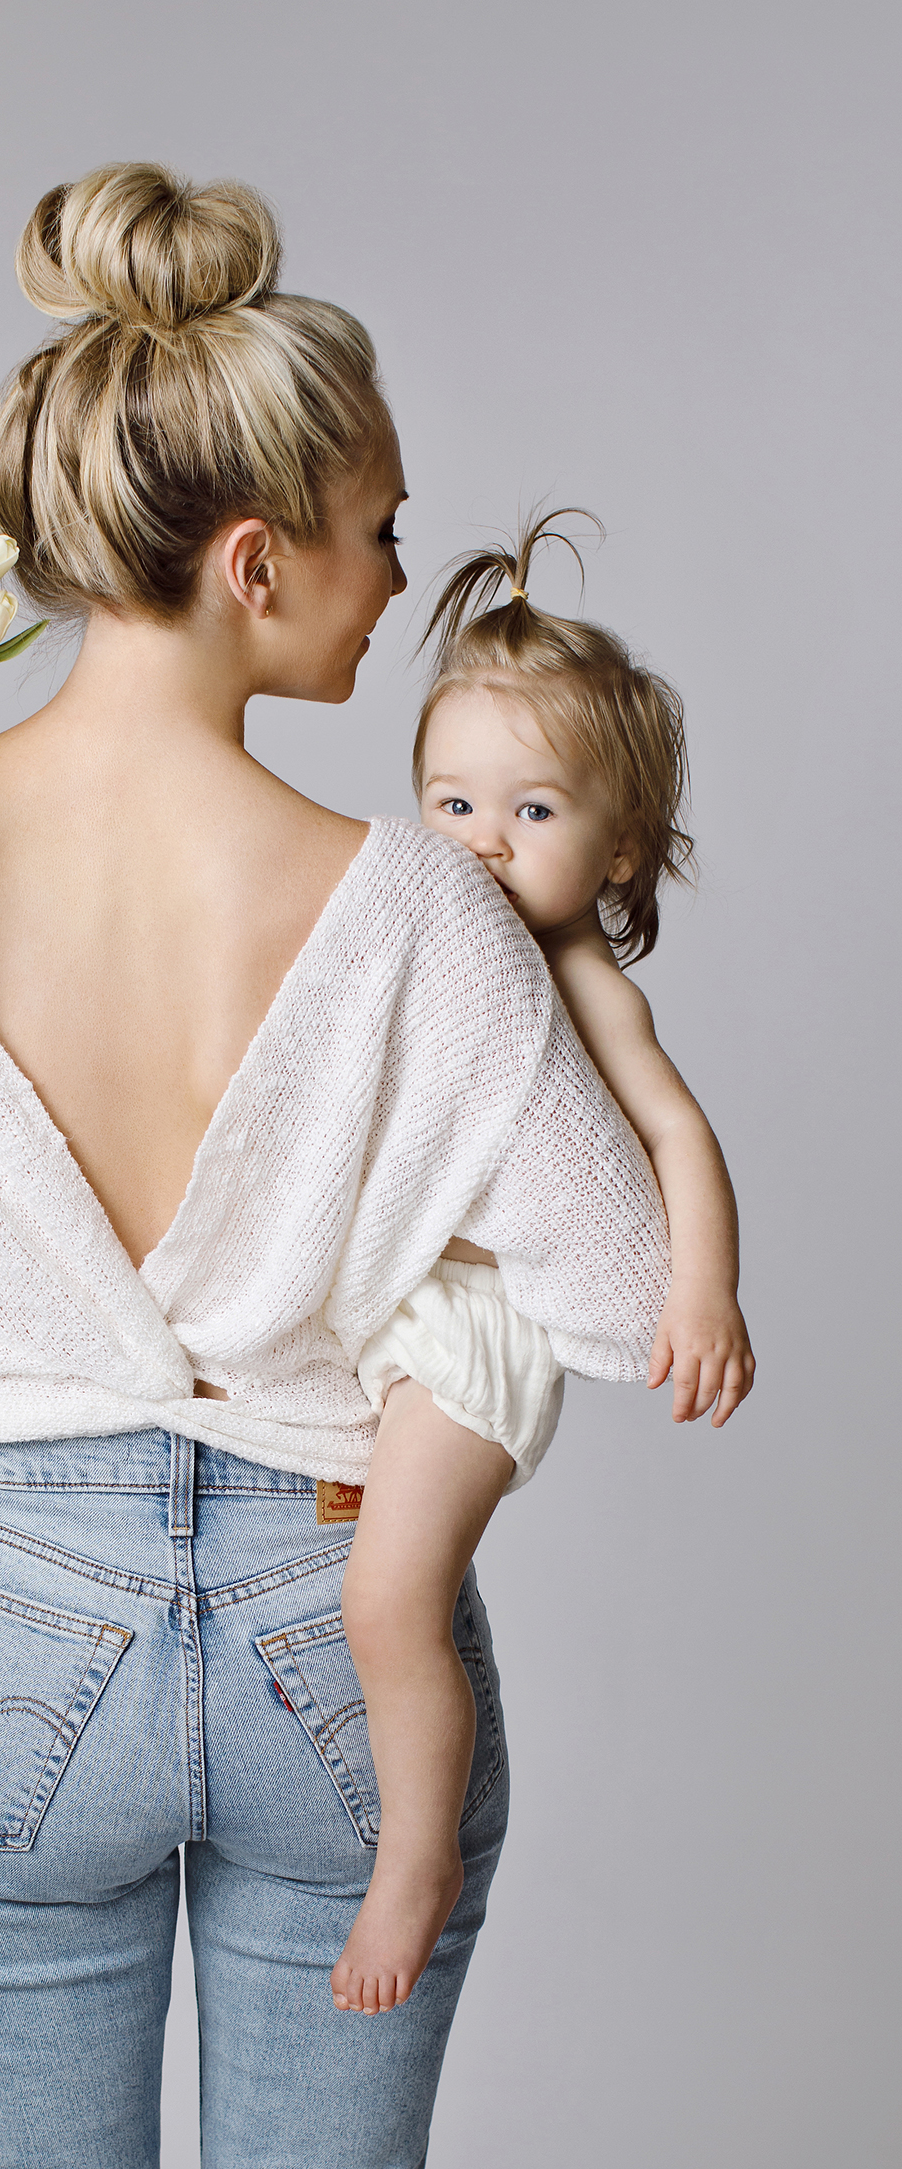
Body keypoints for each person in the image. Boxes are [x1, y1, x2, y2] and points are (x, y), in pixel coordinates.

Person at [0, 165, 671, 2168]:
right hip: (338, 1631)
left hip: (0, 1637)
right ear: (258, 561)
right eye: (381, 536)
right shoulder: (424, 915)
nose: (395, 584)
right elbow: (620, 1302)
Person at [329, 512, 755, 2016]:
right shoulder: (417, 933)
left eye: (533, 810)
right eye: (452, 801)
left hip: (477, 1328)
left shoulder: (585, 979)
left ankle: (417, 1853)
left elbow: (679, 1137)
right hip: (385, 1299)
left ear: (620, 849)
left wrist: (704, 1290)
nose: (483, 842)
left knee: (388, 1599)